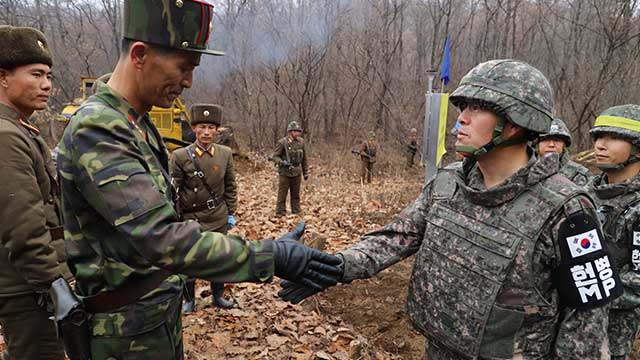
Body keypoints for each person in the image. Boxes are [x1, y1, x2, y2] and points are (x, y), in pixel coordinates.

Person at [280, 59, 621, 359]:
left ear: (516, 123)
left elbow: (587, 322)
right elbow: (395, 237)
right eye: (462, 108)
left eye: (477, 110)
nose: (461, 120)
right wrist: (335, 267)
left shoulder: (568, 210)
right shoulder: (449, 183)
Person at [56, 1, 342, 359]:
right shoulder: (98, 129)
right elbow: (162, 238)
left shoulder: (135, 123)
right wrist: (271, 256)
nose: (189, 81)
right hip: (123, 331)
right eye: (183, 67)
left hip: (152, 315)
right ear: (140, 55)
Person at [0, 25, 72, 360]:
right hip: (29, 290)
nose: (47, 85)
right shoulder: (6, 136)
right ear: (3, 78)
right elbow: (24, 229)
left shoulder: (21, 128)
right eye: (36, 74)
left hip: (34, 284)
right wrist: (55, 286)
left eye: (48, 75)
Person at [170, 104, 236, 312]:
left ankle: (218, 296)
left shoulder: (225, 154)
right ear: (194, 129)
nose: (206, 132)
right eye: (202, 127)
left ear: (217, 130)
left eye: (211, 128)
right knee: (190, 260)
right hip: (192, 217)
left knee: (219, 258)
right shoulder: (180, 156)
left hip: (217, 215)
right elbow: (173, 189)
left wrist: (231, 213)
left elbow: (231, 185)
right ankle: (188, 299)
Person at [588, 104, 640, 360]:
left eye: (614, 138)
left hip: (610, 339)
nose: (600, 144)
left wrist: (583, 290)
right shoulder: (582, 194)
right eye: (598, 136)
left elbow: (637, 283)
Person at [537, 118, 591, 186]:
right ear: (536, 143)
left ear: (564, 145)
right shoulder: (524, 172)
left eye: (557, 140)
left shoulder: (579, 175)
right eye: (545, 140)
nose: (551, 145)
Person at [273, 120, 308, 217]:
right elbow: (275, 156)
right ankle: (280, 213)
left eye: (298, 131)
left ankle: (296, 211)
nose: (298, 133)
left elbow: (304, 158)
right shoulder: (282, 142)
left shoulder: (301, 142)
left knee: (295, 195)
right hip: (285, 172)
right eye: (296, 131)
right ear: (291, 131)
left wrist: (305, 171)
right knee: (282, 195)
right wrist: (282, 162)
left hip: (296, 171)